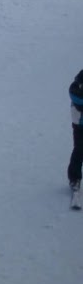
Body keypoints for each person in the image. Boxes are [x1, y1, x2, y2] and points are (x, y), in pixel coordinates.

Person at [68, 70, 83, 209]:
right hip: (80, 124)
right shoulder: (77, 83)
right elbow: (75, 96)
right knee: (79, 150)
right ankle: (74, 178)